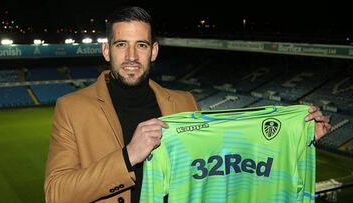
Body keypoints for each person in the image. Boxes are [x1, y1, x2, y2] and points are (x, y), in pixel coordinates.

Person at [44, 6, 331, 203]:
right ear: (107, 50)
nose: (131, 55)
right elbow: (55, 193)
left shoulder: (183, 102)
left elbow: (227, 156)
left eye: (141, 45)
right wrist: (128, 156)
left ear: (153, 51)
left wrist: (299, 136)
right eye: (121, 44)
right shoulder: (72, 108)